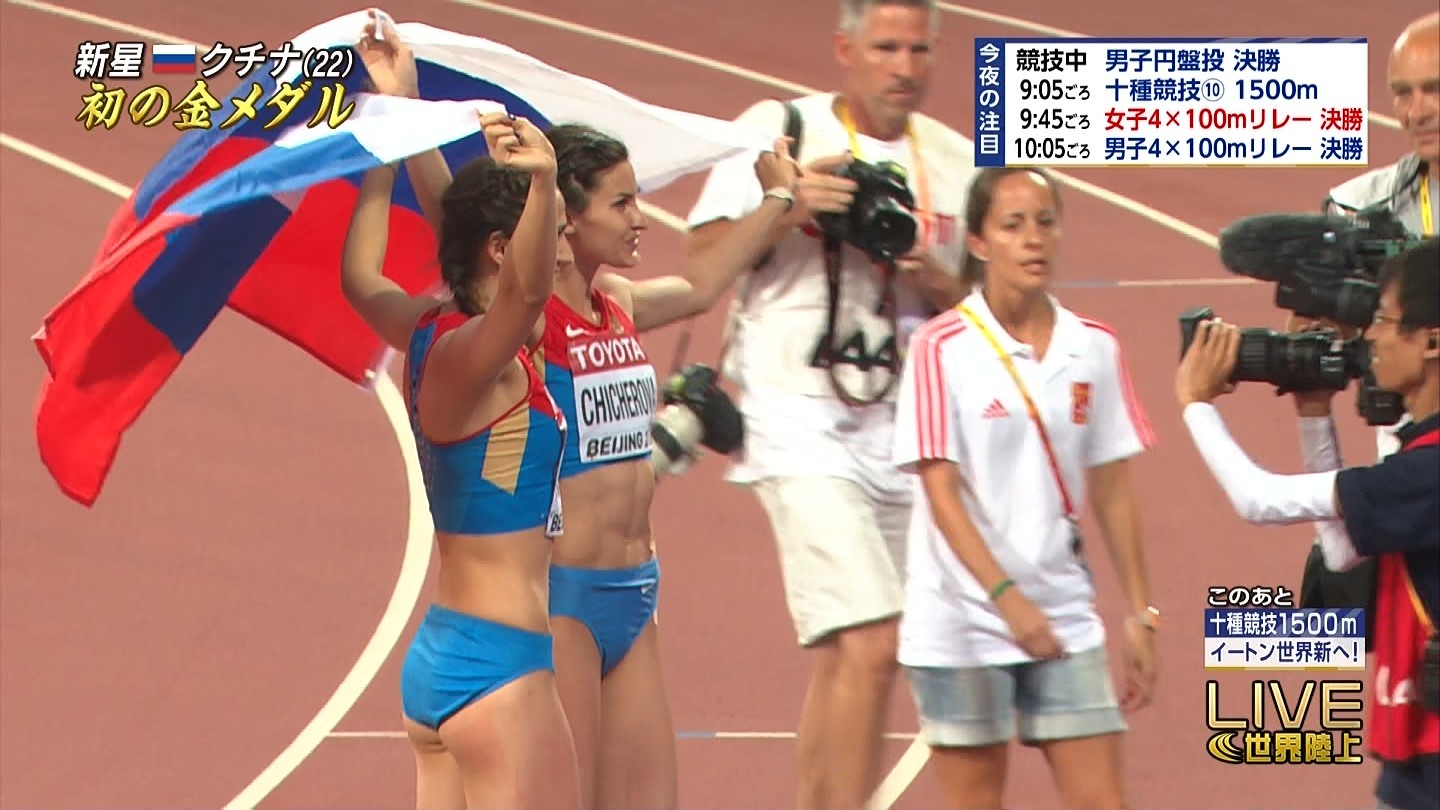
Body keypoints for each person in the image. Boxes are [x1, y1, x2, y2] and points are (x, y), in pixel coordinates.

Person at [349, 14, 802, 807]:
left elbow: (702, 286)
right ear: (563, 218)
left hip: (635, 589)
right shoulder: (525, 322)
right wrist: (406, 112)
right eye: (621, 203)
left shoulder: (617, 303)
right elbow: (462, 218)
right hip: (556, 600)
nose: (640, 218)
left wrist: (780, 200)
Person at [683, 1, 976, 805]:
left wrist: (939, 279)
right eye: (885, 47)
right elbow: (700, 259)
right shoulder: (780, 132)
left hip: (907, 425)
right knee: (871, 639)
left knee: (862, 652)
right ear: (845, 48)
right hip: (797, 415)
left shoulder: (956, 163)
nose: (903, 67)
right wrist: (789, 207)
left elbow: (992, 314)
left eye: (918, 49)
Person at [889, 167, 1158, 810]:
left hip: (1064, 614)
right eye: (1013, 226)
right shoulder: (940, 347)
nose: (1034, 238)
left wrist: (1141, 613)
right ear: (979, 243)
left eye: (1045, 222)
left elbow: (1114, 487)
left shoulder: (1094, 347)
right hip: (963, 621)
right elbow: (942, 494)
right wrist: (1008, 600)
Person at [340, 101, 580, 809]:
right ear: (503, 248)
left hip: (451, 651)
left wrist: (395, 131)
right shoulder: (474, 358)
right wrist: (542, 180)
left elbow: (362, 278)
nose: (563, 251)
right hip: (501, 668)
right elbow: (525, 290)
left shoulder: (428, 331)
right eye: (554, 232)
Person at [1175, 237, 1440, 810]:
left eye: (1384, 320)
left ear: (1431, 342)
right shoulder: (1420, 453)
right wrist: (1315, 412)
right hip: (1413, 754)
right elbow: (1343, 552)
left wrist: (1195, 403)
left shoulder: (1429, 469)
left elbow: (1257, 500)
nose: (1370, 338)